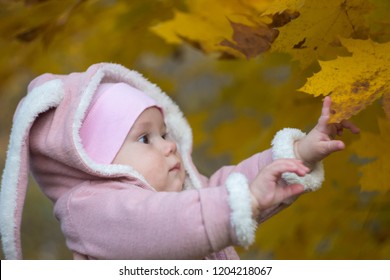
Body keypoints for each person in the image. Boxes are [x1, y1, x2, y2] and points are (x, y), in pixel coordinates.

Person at [0, 62, 359, 260]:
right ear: (95, 162)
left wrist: (296, 155)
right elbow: (155, 224)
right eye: (145, 138)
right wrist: (242, 201)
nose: (168, 146)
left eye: (164, 133)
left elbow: (223, 190)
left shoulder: (180, 194)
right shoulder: (90, 211)